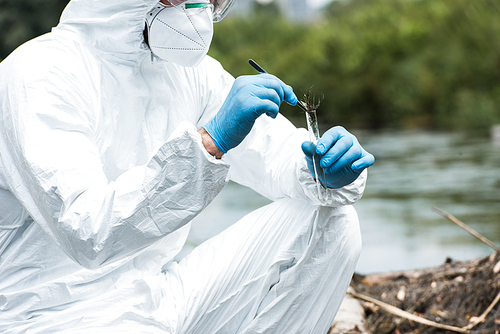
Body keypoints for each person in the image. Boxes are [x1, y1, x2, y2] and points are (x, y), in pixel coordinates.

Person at [0, 0, 374, 333]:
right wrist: (209, 143)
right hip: (53, 316)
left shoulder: (191, 75)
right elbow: (88, 232)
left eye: (215, 1)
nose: (204, 12)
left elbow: (278, 155)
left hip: (158, 298)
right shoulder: (39, 74)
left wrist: (323, 168)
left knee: (331, 222)